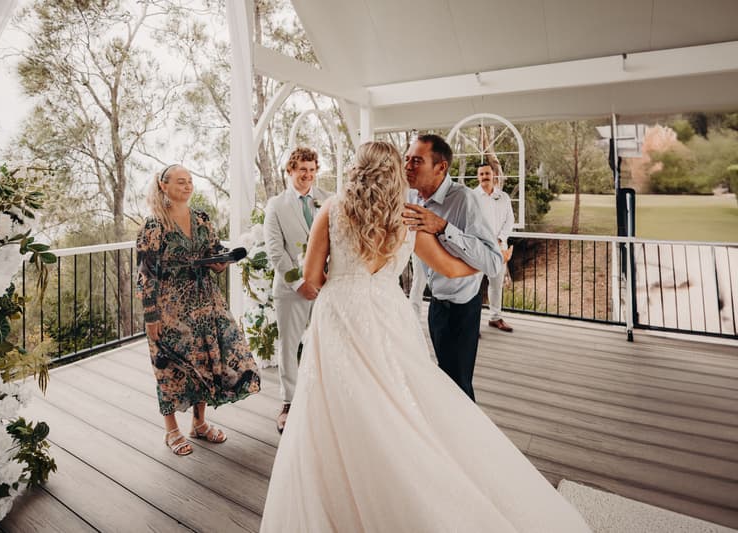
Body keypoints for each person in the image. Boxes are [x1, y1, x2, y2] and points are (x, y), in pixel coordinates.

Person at [260, 142, 591, 532]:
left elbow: (312, 279)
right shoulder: (410, 216)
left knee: (334, 403)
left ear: (357, 169)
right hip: (386, 311)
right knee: (398, 398)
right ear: (393, 173)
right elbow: (451, 270)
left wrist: (336, 274)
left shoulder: (332, 209)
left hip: (338, 313)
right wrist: (494, 260)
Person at [136, 164, 261, 456]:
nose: (188, 185)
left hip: (206, 301)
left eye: (190, 181)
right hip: (170, 306)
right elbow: (145, 274)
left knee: (206, 361)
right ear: (164, 186)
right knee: (170, 366)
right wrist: (151, 316)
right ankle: (171, 430)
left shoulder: (201, 219)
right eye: (181, 181)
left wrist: (220, 262)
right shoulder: (153, 226)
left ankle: (199, 424)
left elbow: (213, 252)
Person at [403, 134, 504, 402]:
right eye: (406, 160)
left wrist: (443, 227)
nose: (408, 166)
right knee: (441, 381)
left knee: (459, 387)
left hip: (462, 309)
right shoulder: (411, 195)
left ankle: (469, 440)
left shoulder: (466, 201)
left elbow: (494, 263)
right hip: (435, 304)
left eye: (416, 161)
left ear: (440, 167)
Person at [263, 147, 332, 433]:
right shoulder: (276, 205)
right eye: (302, 169)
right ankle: (289, 402)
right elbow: (276, 252)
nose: (308, 175)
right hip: (291, 289)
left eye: (312, 169)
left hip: (326, 286)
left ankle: (323, 398)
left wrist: (323, 279)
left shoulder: (328, 200)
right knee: (289, 346)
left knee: (324, 343)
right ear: (290, 171)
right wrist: (299, 283)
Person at [474, 163, 516, 332]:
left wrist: (500, 238)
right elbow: (470, 222)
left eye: (487, 173)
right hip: (478, 247)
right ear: (478, 177)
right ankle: (471, 325)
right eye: (481, 174)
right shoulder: (472, 196)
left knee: (496, 284)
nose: (485, 176)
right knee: (473, 287)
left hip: (499, 248)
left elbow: (510, 220)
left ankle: (496, 318)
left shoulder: (504, 197)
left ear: (494, 175)